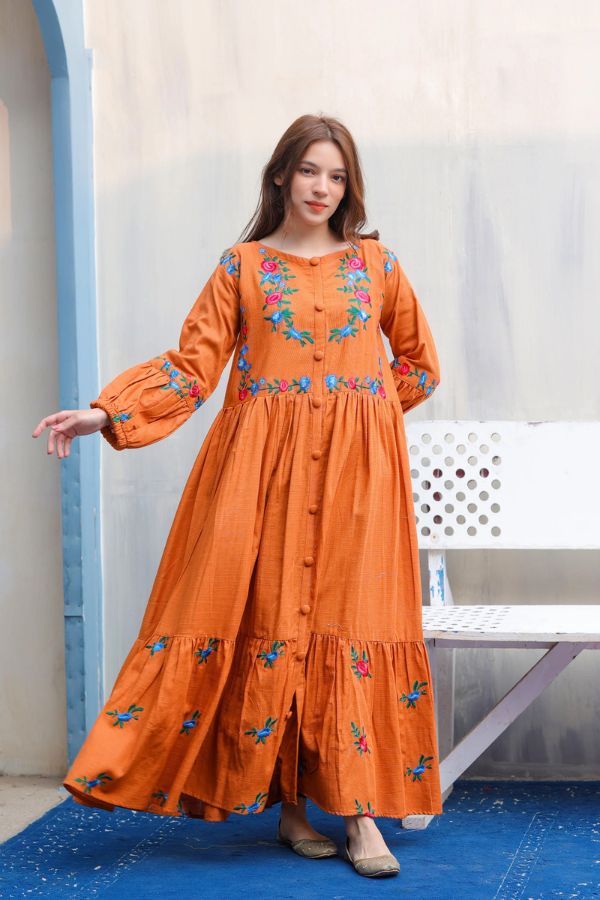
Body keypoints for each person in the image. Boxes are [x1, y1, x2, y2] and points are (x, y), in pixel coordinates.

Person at [33, 113, 442, 879]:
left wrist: (362, 422)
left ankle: (358, 817)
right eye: (311, 170)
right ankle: (291, 808)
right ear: (282, 174)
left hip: (357, 484)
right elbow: (194, 368)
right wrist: (106, 412)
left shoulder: (376, 267)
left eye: (338, 175)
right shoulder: (242, 268)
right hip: (258, 479)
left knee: (348, 625)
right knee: (270, 618)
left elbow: (418, 365)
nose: (324, 188)